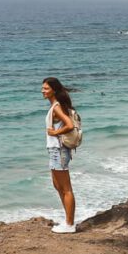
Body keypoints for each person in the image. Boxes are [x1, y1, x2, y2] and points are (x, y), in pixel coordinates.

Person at [42, 77, 77, 234]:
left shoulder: (56, 107)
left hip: (60, 150)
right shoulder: (55, 106)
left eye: (46, 88)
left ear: (54, 90)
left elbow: (70, 125)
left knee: (66, 188)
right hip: (55, 150)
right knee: (57, 186)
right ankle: (67, 221)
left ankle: (70, 224)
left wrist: (55, 132)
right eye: (43, 88)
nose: (43, 91)